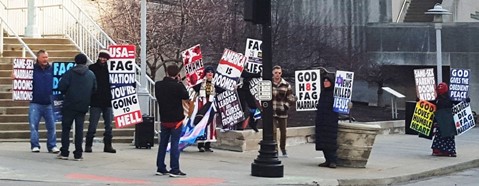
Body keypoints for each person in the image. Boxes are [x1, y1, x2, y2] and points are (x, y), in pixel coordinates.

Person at [57, 53, 97, 161]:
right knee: (79, 130)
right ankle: (78, 153)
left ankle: (65, 152)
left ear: (75, 61)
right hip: (83, 105)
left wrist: (67, 93)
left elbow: (61, 87)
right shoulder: (91, 74)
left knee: (66, 129)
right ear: (85, 62)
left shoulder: (69, 73)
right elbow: (94, 89)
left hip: (69, 104)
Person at [155, 65, 189, 177]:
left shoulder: (158, 85)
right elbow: (186, 95)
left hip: (164, 118)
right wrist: (179, 83)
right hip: (176, 120)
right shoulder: (177, 86)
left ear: (166, 72)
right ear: (177, 74)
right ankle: (174, 168)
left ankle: (160, 167)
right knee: (175, 144)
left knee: (163, 144)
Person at [25, 50, 59, 153]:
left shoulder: (53, 69)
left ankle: (52, 145)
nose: (46, 59)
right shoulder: (31, 69)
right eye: (43, 57)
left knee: (52, 126)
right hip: (35, 102)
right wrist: (15, 77)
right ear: (38, 58)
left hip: (49, 103)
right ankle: (35, 145)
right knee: (33, 125)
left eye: (47, 57)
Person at [85, 50, 116, 153]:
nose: (103, 59)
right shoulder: (92, 68)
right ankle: (88, 145)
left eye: (105, 58)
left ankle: (108, 145)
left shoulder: (110, 69)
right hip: (96, 100)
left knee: (109, 125)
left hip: (107, 100)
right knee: (92, 124)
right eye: (101, 57)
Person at [272, 65, 296, 157]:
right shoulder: (268, 83)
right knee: (273, 131)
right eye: (276, 73)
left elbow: (291, 98)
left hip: (282, 111)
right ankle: (275, 149)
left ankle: (283, 148)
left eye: (279, 73)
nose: (277, 75)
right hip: (272, 111)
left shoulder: (286, 84)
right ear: (273, 73)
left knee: (283, 132)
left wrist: (286, 106)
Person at [315, 76, 339, 168]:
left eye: (327, 81)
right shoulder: (323, 92)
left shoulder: (334, 93)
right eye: (324, 81)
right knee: (323, 141)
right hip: (321, 120)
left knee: (330, 142)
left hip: (330, 121)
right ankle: (327, 160)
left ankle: (333, 160)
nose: (325, 83)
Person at [192, 66, 217, 152]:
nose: (210, 73)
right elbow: (194, 87)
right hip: (202, 105)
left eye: (211, 72)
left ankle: (208, 145)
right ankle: (200, 145)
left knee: (210, 125)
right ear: (205, 74)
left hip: (211, 106)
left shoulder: (215, 84)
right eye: (208, 72)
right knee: (201, 123)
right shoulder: (201, 83)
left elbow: (222, 90)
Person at [431, 82, 457, 157]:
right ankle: (440, 150)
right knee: (440, 135)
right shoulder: (437, 99)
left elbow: (457, 103)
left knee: (448, 136)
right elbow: (430, 104)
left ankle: (448, 151)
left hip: (448, 120)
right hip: (441, 120)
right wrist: (419, 101)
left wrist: (466, 101)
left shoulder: (450, 98)